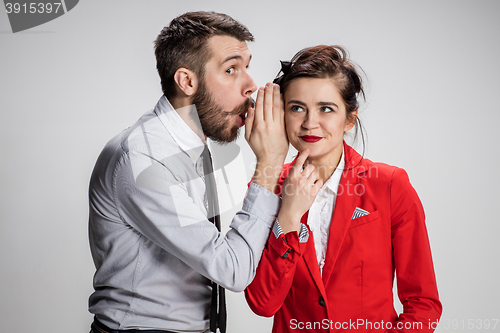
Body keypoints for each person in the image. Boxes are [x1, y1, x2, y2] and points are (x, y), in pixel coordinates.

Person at [87, 11, 291, 333]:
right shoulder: (144, 157)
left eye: (247, 67)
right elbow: (231, 268)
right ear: (187, 81)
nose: (251, 85)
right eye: (231, 69)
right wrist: (270, 164)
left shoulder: (188, 143)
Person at [245, 45, 442, 332]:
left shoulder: (389, 184)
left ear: (349, 118)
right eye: (297, 108)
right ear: (282, 114)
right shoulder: (266, 186)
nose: (310, 123)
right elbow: (262, 303)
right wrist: (288, 216)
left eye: (326, 109)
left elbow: (423, 302)